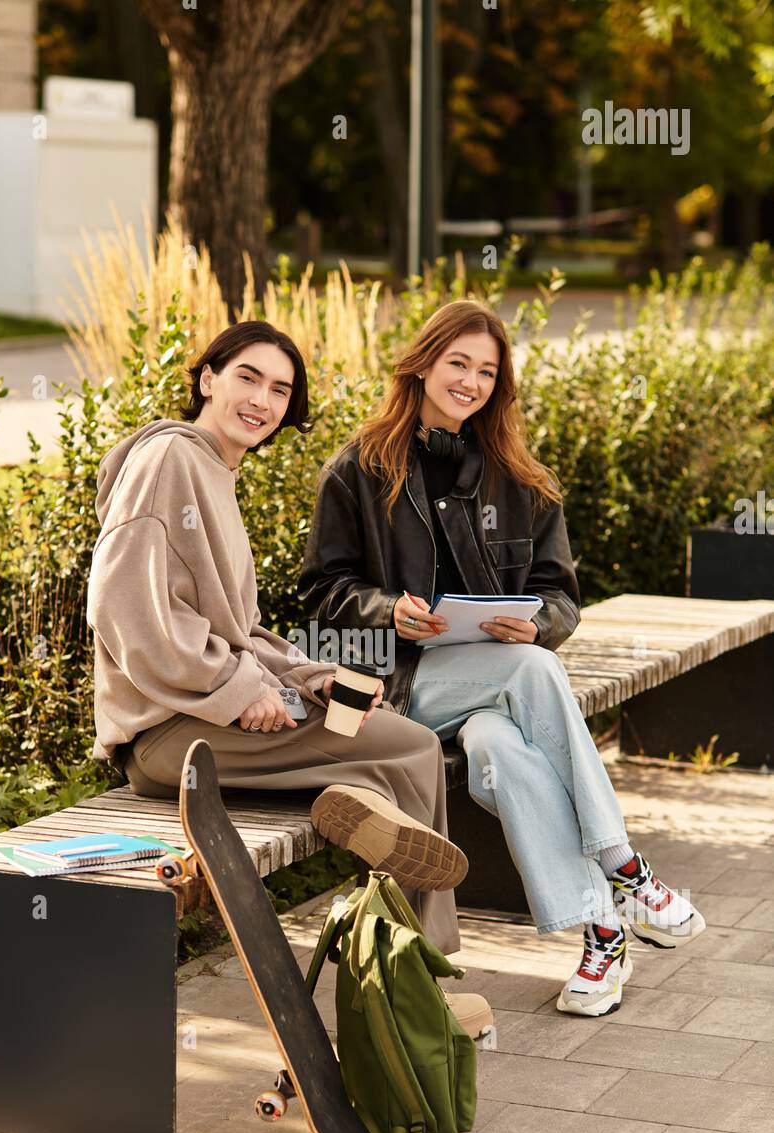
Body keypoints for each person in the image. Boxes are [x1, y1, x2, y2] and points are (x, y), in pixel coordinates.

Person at [298, 299, 707, 1017]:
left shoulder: (519, 479)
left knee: (507, 749)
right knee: (534, 672)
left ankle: (602, 932)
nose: (471, 381)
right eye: (457, 363)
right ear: (422, 365)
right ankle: (627, 869)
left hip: (490, 690)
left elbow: (560, 597)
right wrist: (386, 610)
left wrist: (538, 623)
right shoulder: (359, 470)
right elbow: (321, 590)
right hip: (402, 687)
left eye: (487, 370)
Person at [85, 320, 474, 967]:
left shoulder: (210, 471)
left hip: (196, 721)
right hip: (168, 734)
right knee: (413, 747)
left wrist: (309, 675)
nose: (261, 400)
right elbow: (124, 610)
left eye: (279, 388)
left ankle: (374, 871)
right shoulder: (170, 461)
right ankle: (414, 978)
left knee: (375, 737)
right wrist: (237, 690)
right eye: (247, 377)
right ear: (208, 380)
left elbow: (232, 632)